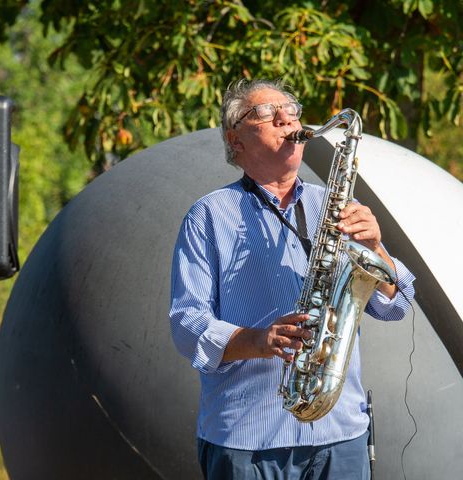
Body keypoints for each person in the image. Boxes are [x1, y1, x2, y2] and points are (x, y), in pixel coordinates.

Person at [169, 78, 416, 479]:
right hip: (247, 440)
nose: (287, 118)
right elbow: (186, 325)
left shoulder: (337, 206)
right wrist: (259, 340)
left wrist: (376, 247)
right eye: (266, 113)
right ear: (236, 140)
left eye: (292, 109)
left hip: (341, 434)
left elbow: (397, 305)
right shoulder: (208, 216)